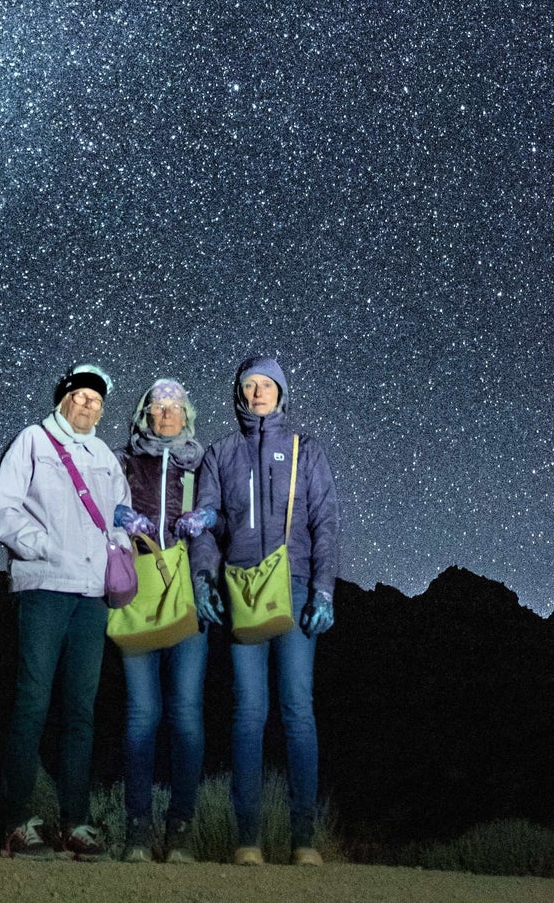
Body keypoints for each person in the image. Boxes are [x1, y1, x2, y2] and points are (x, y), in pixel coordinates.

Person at [190, 355, 339, 866]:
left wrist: (323, 591)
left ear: (281, 392)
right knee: (248, 712)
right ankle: (247, 839)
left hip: (295, 586)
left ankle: (304, 840)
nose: (258, 393)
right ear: (239, 393)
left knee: (298, 710)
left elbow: (325, 525)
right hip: (240, 590)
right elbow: (206, 525)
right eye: (249, 385)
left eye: (267, 385)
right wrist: (203, 578)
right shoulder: (220, 453)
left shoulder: (306, 450)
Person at [0, 362, 132, 861]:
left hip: (91, 598)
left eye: (97, 399)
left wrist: (118, 550)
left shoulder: (106, 458)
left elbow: (119, 515)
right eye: (82, 395)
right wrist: (43, 548)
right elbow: (2, 511)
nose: (90, 404)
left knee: (80, 712)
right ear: (63, 398)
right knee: (32, 701)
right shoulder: (32, 441)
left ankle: (76, 824)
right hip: (45, 587)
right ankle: (14, 822)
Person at [113, 378, 219, 862]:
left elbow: (218, 524)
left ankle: (181, 829)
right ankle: (136, 830)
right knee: (140, 718)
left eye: (175, 405)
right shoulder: (123, 461)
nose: (167, 412)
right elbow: (99, 510)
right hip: (138, 596)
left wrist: (207, 527)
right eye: (159, 405)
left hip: (187, 601)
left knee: (187, 718)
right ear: (146, 413)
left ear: (187, 413)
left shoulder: (200, 464)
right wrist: (120, 517)